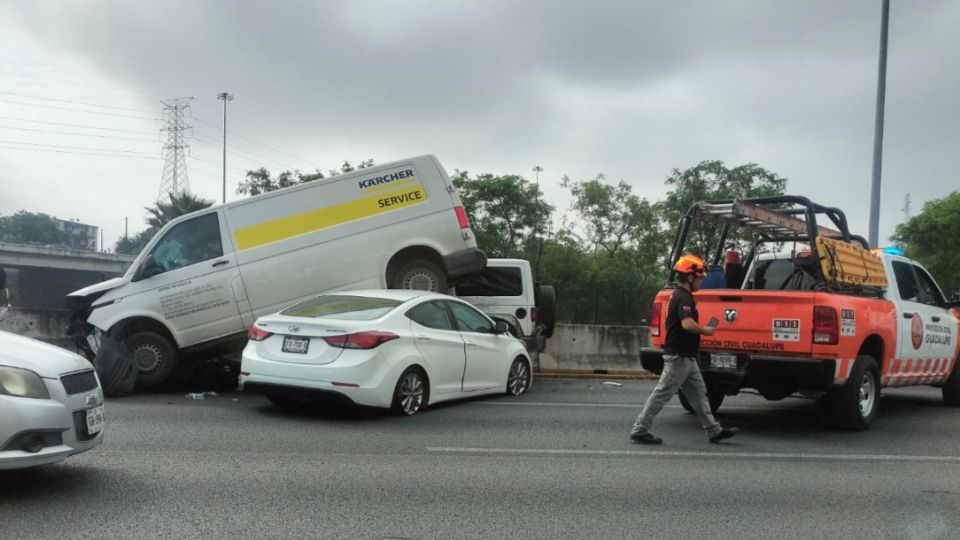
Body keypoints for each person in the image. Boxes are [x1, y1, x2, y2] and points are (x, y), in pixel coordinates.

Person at [630, 254, 740, 444]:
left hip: (687, 357)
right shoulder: (684, 298)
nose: (702, 280)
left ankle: (714, 430)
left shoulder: (680, 295)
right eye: (700, 277)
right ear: (690, 277)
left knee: (699, 394)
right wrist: (705, 330)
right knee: (662, 393)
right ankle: (640, 429)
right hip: (679, 357)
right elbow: (688, 324)